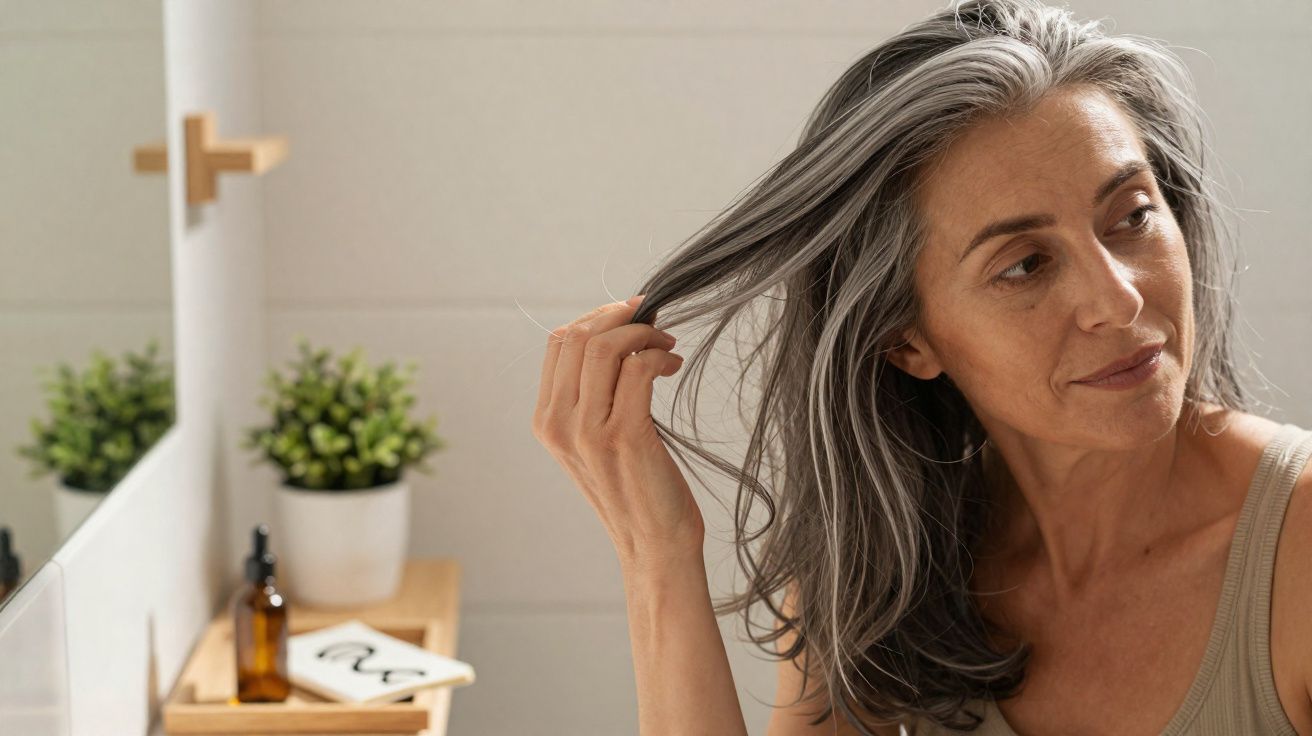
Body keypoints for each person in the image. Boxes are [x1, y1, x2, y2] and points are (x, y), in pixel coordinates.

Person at [531, 0, 1312, 733]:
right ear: (907, 342)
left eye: (1133, 216)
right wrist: (657, 554)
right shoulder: (884, 563)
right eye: (1025, 265)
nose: (1119, 298)